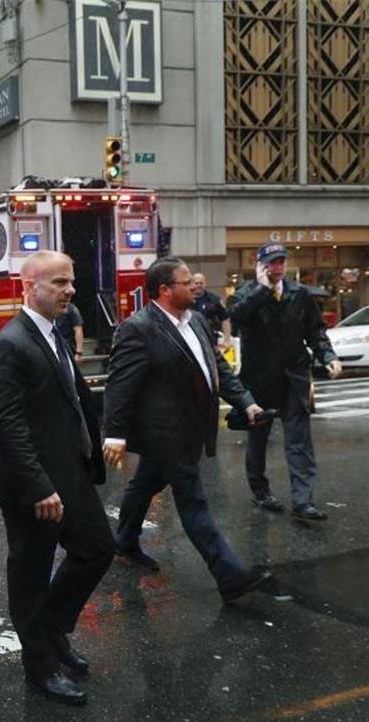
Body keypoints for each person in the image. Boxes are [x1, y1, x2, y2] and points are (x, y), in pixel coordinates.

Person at [0, 251, 114, 706]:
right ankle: (39, 666)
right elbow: (5, 425)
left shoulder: (53, 335)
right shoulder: (10, 344)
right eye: (59, 282)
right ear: (29, 286)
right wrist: (38, 486)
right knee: (30, 575)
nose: (70, 290)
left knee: (98, 548)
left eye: (71, 281)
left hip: (70, 474)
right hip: (31, 486)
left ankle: (52, 629)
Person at [103, 256, 271, 603]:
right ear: (165, 290)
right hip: (164, 433)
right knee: (193, 501)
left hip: (192, 428)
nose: (196, 287)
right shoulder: (138, 328)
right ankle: (229, 574)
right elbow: (120, 386)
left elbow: (217, 368)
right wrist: (115, 434)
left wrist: (246, 402)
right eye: (186, 282)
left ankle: (124, 542)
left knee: (146, 482)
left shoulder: (195, 321)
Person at [227, 243, 342, 521]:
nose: (277, 267)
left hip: (295, 378)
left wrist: (327, 354)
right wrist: (263, 290)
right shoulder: (246, 293)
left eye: (281, 262)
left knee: (299, 442)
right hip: (260, 381)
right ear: (260, 265)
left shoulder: (298, 293)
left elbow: (315, 330)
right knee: (258, 440)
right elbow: (237, 318)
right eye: (272, 262)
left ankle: (303, 501)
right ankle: (261, 491)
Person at [190, 272, 231, 348]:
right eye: (196, 283)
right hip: (191, 339)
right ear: (191, 284)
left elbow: (225, 319)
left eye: (201, 283)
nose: (199, 285)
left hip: (211, 340)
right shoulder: (185, 299)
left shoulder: (214, 299)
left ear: (205, 284)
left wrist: (227, 340)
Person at [53, 300, 85, 364]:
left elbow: (78, 330)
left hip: (67, 346)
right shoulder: (49, 308)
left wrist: (79, 352)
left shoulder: (71, 309)